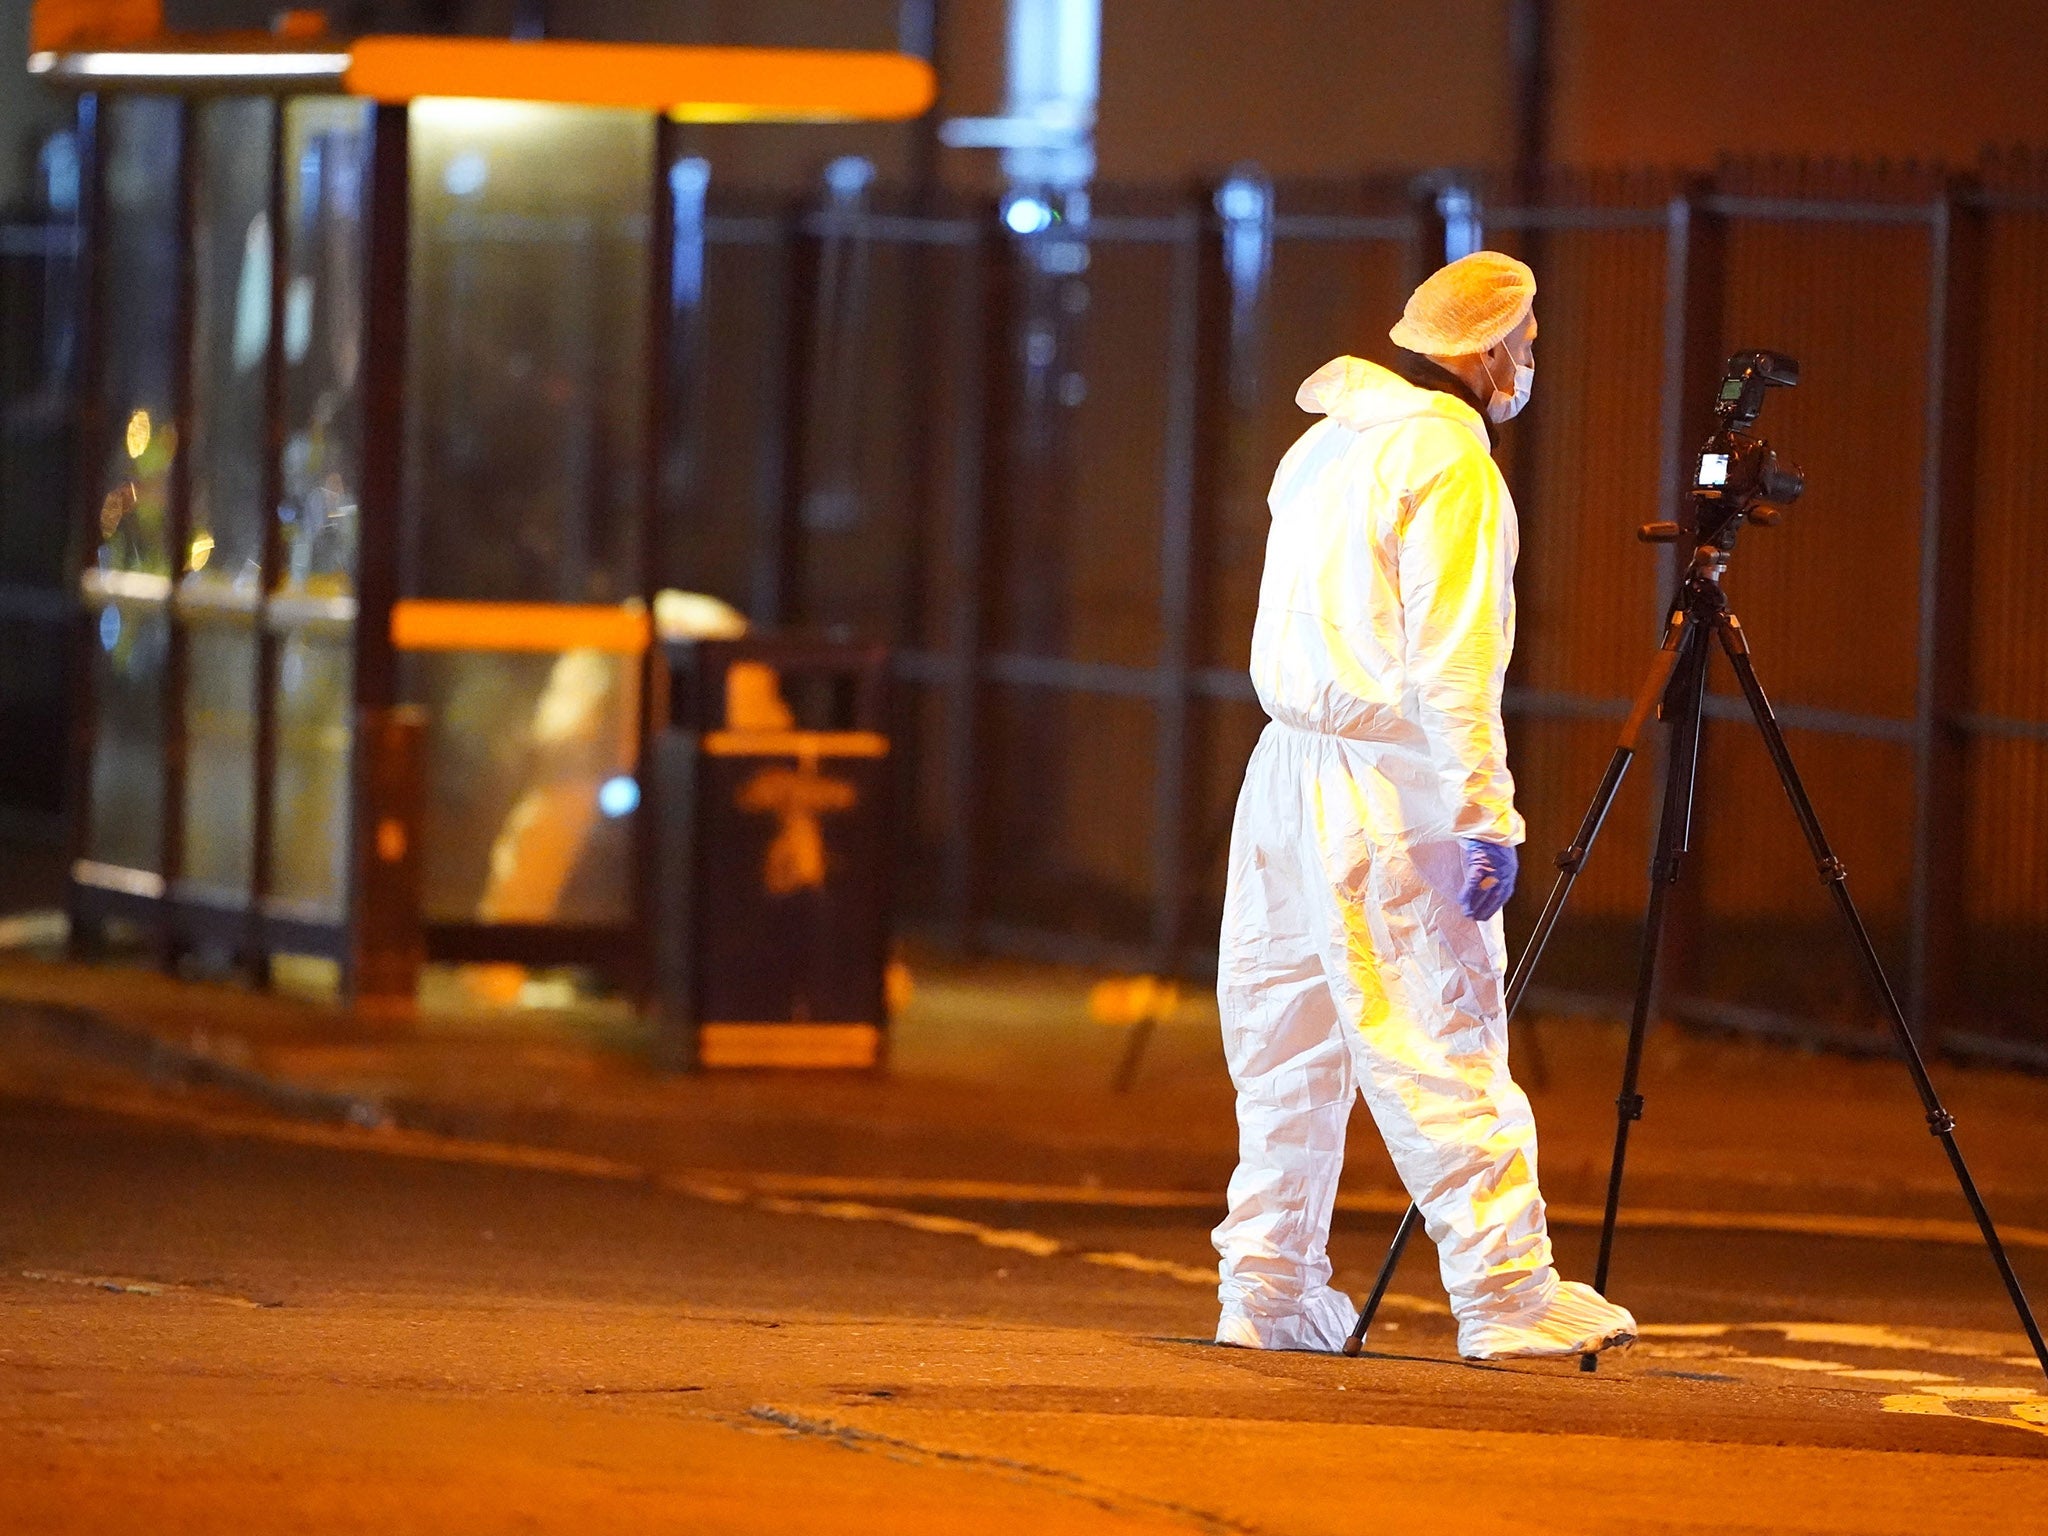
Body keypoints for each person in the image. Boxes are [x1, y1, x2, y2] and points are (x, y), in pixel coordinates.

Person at [1210, 251, 1638, 1361]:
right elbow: (1453, 661)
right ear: (1485, 344)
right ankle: (1504, 1293)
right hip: (1384, 782)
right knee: (1437, 1028)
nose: (1529, 360)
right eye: (1526, 340)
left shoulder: (1327, 443)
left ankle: (1265, 1288)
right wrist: (1481, 812)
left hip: (1285, 773)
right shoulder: (1449, 459)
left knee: (1283, 1039)